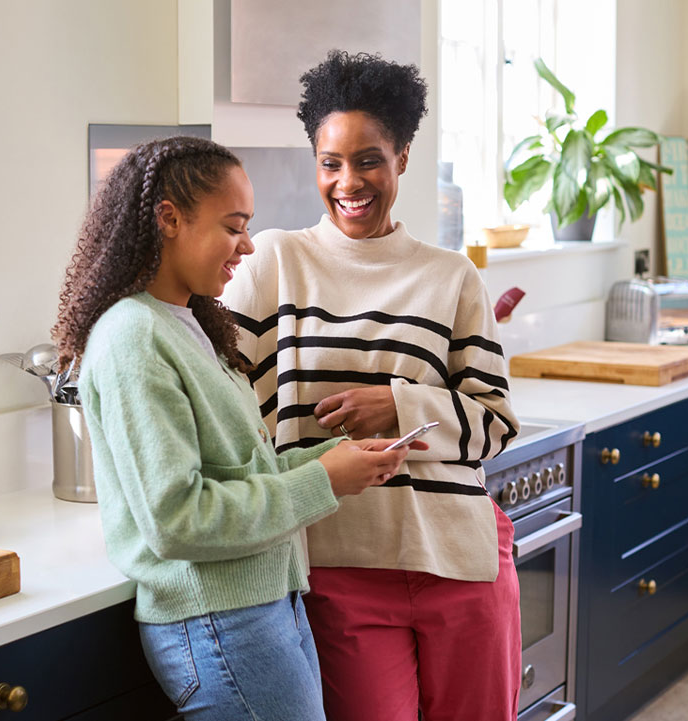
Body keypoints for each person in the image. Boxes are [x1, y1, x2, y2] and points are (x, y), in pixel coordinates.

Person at [53, 135, 420, 721]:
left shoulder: (187, 322)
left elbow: (238, 474)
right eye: (233, 226)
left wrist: (337, 459)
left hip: (261, 609)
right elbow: (178, 519)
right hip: (220, 624)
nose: (248, 245)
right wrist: (322, 480)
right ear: (169, 219)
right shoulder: (132, 336)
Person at [221, 52, 523, 721]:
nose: (349, 181)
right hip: (339, 564)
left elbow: (496, 423)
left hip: (460, 557)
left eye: (369, 159)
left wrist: (400, 403)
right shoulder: (274, 262)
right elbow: (219, 394)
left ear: (404, 157)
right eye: (331, 162)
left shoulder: (452, 277)